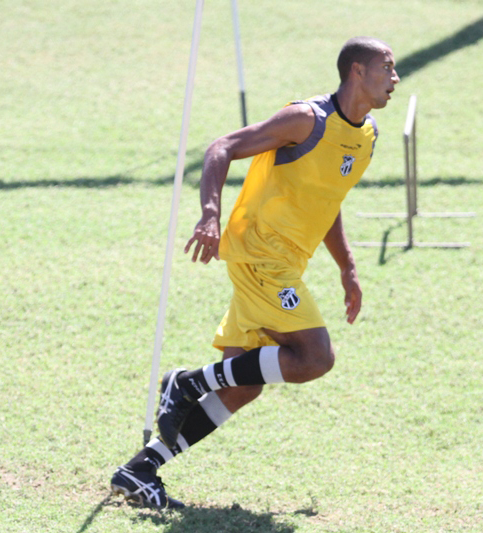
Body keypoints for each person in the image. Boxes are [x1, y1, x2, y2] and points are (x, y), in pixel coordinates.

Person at [110, 36, 399, 509]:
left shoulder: (366, 136)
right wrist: (209, 215)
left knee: (243, 384)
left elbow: (328, 200)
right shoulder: (306, 119)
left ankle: (140, 469)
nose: (395, 78)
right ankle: (187, 383)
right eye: (387, 67)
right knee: (315, 358)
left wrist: (347, 266)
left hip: (284, 262)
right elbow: (221, 147)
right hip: (261, 255)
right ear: (357, 72)